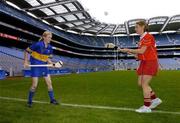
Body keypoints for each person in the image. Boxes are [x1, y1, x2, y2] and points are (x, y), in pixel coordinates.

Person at [119, 21, 162, 113]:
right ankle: (155, 99)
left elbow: (142, 51)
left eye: (137, 27)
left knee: (144, 84)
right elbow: (138, 55)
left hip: (150, 62)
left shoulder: (148, 37)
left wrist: (128, 49)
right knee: (140, 83)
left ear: (143, 27)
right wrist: (128, 52)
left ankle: (147, 107)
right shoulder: (141, 39)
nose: (135, 29)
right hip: (144, 62)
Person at [24, 31, 58, 107]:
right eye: (49, 37)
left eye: (51, 38)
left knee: (49, 83)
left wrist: (51, 63)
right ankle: (29, 101)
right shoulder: (37, 44)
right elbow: (26, 51)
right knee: (34, 85)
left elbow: (47, 58)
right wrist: (25, 62)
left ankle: (52, 100)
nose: (50, 39)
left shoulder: (50, 47)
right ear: (44, 37)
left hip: (44, 66)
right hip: (35, 66)